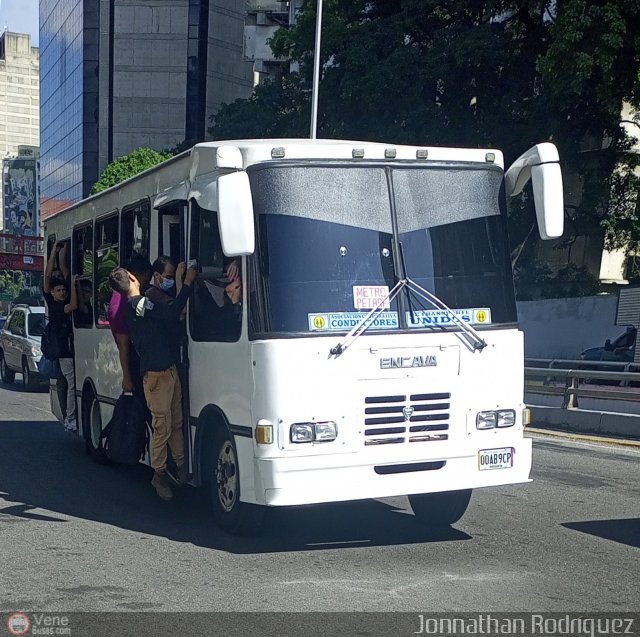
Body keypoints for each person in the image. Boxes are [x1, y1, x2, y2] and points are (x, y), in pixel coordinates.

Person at [108, 263, 197, 501]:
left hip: (168, 369)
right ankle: (159, 475)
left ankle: (180, 466)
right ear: (131, 278)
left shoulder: (136, 306)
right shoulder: (137, 305)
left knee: (176, 421)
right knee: (162, 427)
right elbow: (170, 313)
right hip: (156, 374)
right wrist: (186, 283)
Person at [43, 243, 78, 431]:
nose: (62, 293)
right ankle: (70, 418)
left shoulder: (60, 297)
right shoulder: (56, 306)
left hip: (70, 350)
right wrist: (51, 255)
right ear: (52, 292)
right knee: (71, 383)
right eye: (59, 291)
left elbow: (63, 270)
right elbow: (72, 306)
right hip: (64, 352)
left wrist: (59, 252)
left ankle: (69, 415)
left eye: (64, 290)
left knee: (69, 383)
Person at [108, 254, 153, 394]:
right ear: (133, 278)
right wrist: (127, 378)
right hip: (135, 364)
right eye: (144, 282)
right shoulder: (120, 305)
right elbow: (123, 344)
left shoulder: (130, 298)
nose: (145, 286)